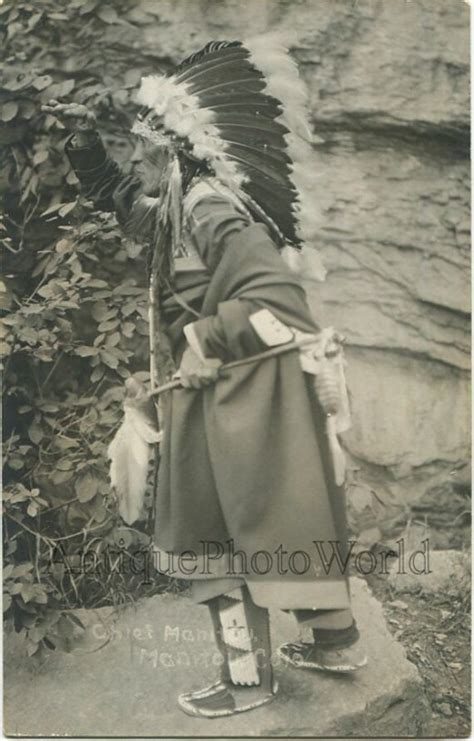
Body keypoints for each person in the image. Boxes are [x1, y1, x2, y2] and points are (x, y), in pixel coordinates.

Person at [43, 36, 367, 719]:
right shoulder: (183, 201)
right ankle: (334, 641)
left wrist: (202, 338)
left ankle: (247, 680)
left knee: (209, 533)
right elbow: (132, 208)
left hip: (232, 393)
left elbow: (280, 302)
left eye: (151, 145)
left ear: (178, 147)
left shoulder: (209, 208)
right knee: (285, 512)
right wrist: (87, 155)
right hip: (246, 393)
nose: (146, 156)